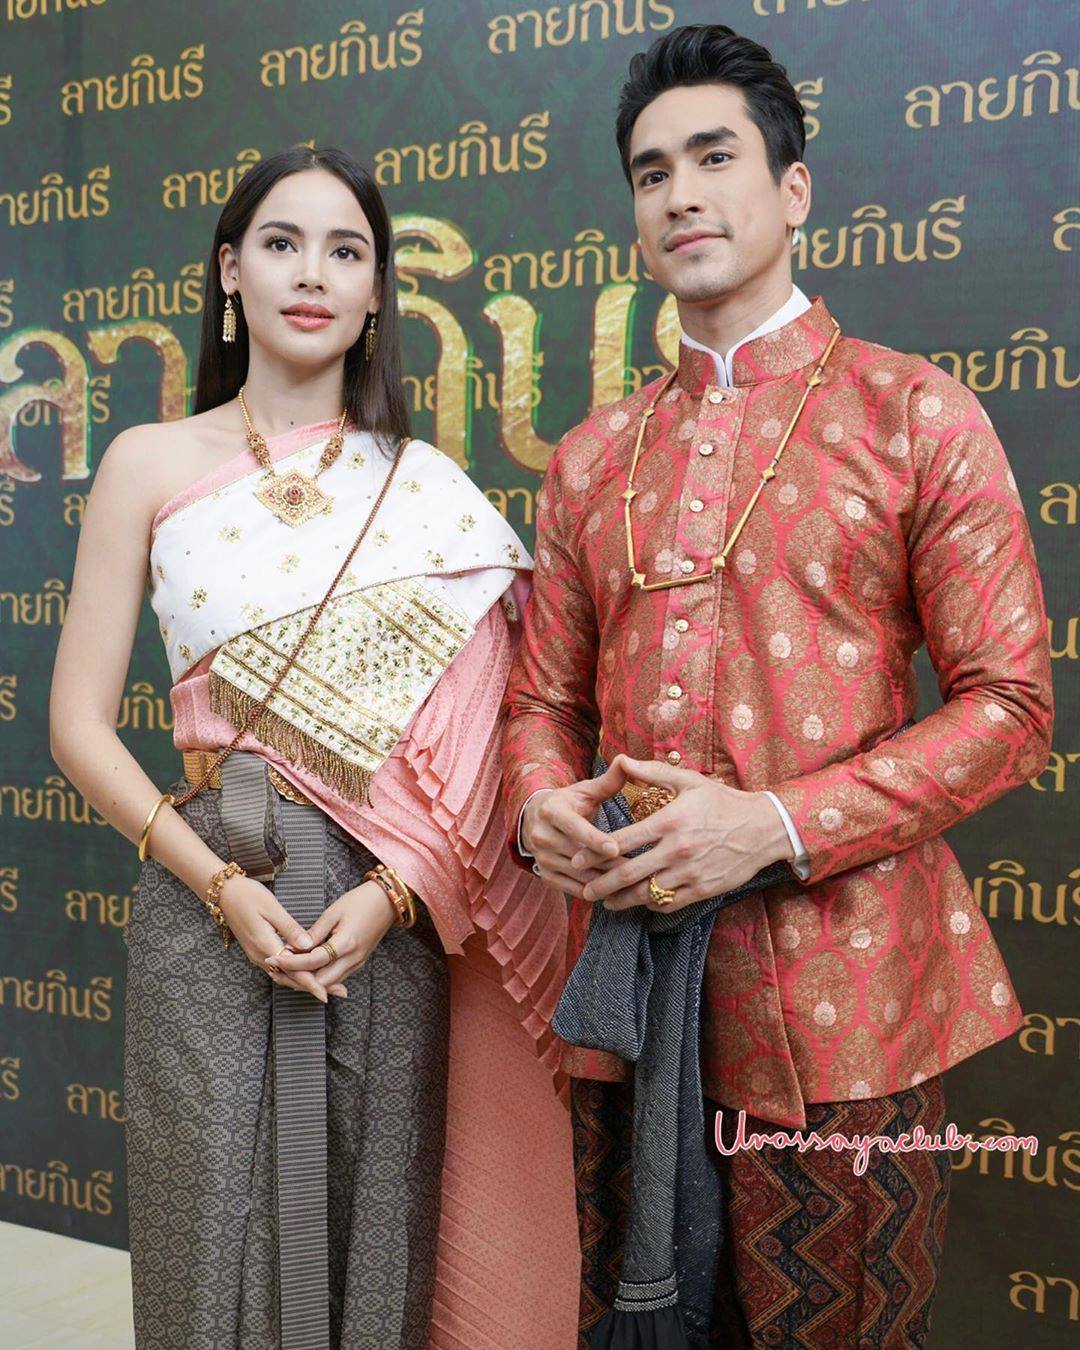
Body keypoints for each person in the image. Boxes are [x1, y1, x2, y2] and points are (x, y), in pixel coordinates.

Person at [501, 24, 1053, 1349]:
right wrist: (538, 807)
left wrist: (776, 823)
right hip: (631, 1002)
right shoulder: (591, 458)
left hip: (850, 1004)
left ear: (793, 188)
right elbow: (541, 707)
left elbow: (1010, 705)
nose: (680, 195)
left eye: (714, 157)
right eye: (651, 173)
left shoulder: (911, 413)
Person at [50, 144, 579, 1350]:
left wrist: (396, 895)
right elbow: (77, 724)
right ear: (230, 270)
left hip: (382, 921)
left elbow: (491, 736)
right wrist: (221, 888)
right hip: (204, 894)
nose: (312, 273)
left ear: (378, 290)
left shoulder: (427, 491)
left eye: (347, 251)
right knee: (202, 1252)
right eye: (282, 243)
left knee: (372, 1250)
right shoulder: (147, 461)